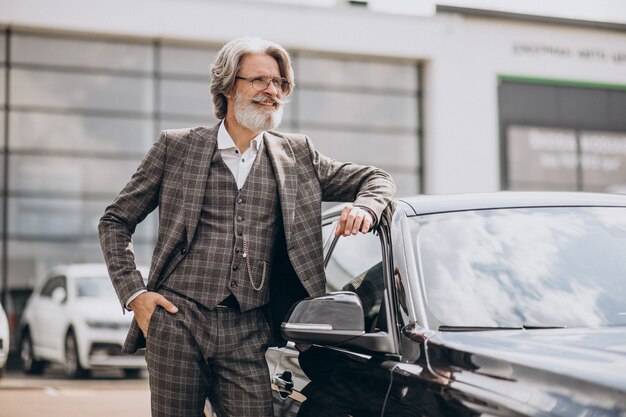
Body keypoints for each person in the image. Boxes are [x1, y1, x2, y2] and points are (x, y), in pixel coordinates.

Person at [99, 37, 395, 417]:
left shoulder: (298, 154)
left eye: (279, 83)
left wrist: (367, 208)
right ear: (227, 86)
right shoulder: (176, 148)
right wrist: (135, 295)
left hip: (249, 328)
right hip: (177, 321)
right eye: (259, 80)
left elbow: (377, 178)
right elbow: (115, 221)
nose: (271, 90)